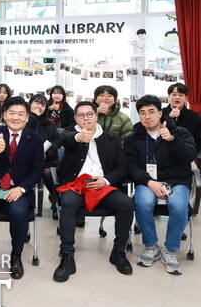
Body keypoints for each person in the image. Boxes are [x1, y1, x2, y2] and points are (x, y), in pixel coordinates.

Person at [53, 101, 134, 282]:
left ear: (96, 116)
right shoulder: (69, 134)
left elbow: (123, 167)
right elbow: (61, 141)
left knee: (126, 204)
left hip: (102, 186)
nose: (86, 118)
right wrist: (78, 138)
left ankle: (119, 252)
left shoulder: (110, 139)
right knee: (67, 203)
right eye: (81, 116)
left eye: (89, 114)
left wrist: (105, 180)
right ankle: (67, 256)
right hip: (76, 186)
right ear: (75, 118)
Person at [124, 94, 196, 275]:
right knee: (142, 202)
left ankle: (170, 250)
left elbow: (189, 156)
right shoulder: (133, 138)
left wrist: (172, 141)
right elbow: (131, 166)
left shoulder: (180, 132)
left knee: (179, 206)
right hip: (147, 181)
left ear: (160, 113)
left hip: (177, 180)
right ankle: (151, 246)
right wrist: (150, 182)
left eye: (151, 112)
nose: (147, 116)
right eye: (142, 113)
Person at [0, 96, 43, 279]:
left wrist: (22, 189)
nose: (16, 118)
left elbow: (37, 171)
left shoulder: (35, 139)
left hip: (18, 188)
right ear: (4, 115)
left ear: (27, 117)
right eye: (12, 113)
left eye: (21, 114)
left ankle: (16, 255)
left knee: (19, 213)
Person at [27, 94, 61, 218]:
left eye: (43, 104)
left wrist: (47, 153)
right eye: (36, 103)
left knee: (48, 172)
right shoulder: (24, 120)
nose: (39, 106)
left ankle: (56, 200)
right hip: (27, 160)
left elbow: (56, 141)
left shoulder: (49, 124)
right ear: (30, 104)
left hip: (46, 159)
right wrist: (33, 117)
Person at [162, 82, 201, 152]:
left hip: (185, 155)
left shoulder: (194, 117)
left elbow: (198, 140)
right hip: (162, 153)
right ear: (169, 97)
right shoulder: (160, 113)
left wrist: (190, 152)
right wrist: (169, 117)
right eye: (174, 95)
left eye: (181, 95)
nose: (177, 97)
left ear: (186, 98)